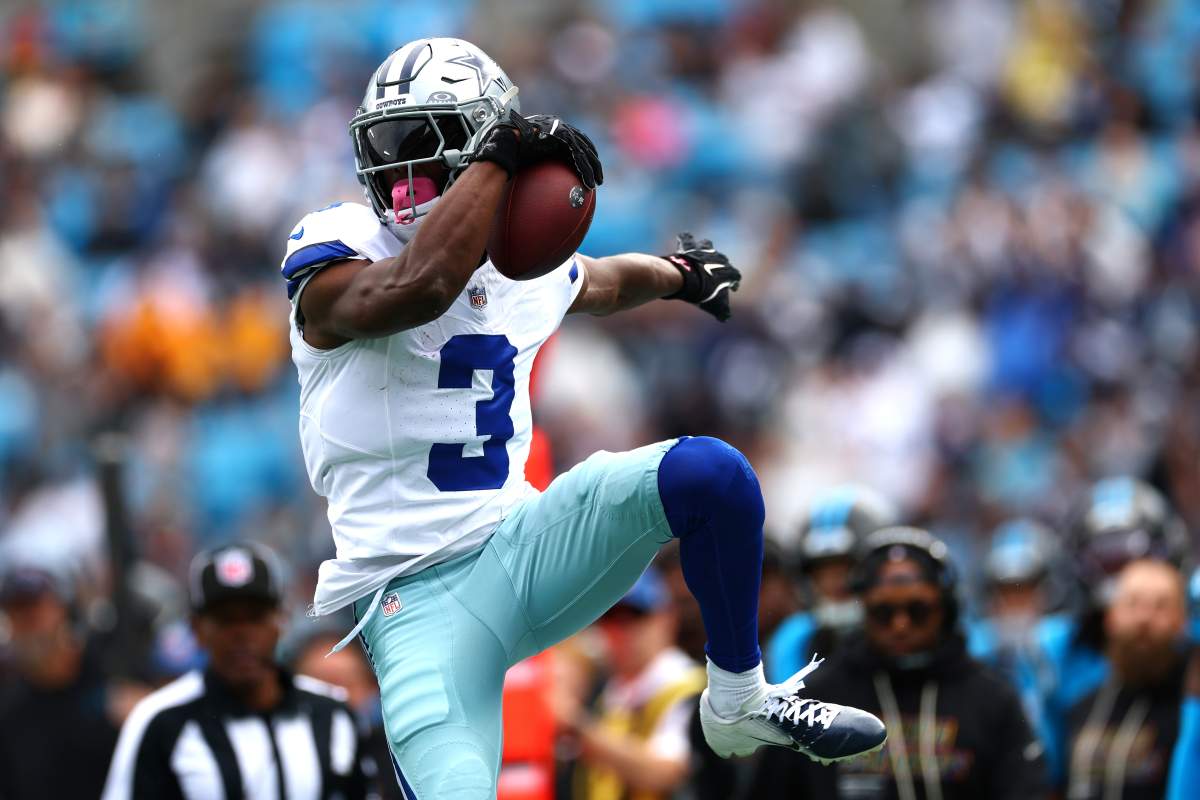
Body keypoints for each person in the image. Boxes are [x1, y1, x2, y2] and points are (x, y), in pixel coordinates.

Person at [280, 36, 885, 799]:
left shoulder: (519, 271)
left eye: (422, 142)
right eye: (389, 145)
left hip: (521, 547)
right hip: (413, 601)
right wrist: (502, 152)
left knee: (713, 476)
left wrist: (679, 275)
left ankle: (738, 700)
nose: (401, 169)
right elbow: (419, 286)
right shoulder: (339, 247)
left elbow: (601, 281)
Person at [749, 527, 1049, 799]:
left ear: (945, 608)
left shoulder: (993, 700)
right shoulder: (814, 701)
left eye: (917, 610)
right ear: (863, 610)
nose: (900, 625)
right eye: (884, 612)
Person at [102, 543, 368, 799]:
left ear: (282, 621)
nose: (241, 634)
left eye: (255, 616)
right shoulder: (161, 722)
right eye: (225, 619)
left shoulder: (331, 714)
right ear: (196, 629)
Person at [557, 567, 704, 799]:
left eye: (634, 616)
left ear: (666, 617)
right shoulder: (606, 689)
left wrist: (578, 726)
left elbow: (666, 772)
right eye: (611, 618)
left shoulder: (690, 687)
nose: (621, 631)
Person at [1064, 559, 1188, 800]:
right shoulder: (1082, 707)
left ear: (1181, 622)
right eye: (1133, 603)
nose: (1144, 618)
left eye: (1161, 606)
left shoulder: (1189, 711)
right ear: (1111, 617)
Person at [0, 562, 123, 799]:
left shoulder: (107, 667)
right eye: (16, 612)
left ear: (62, 610)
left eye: (36, 608)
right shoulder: (9, 710)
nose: (29, 622)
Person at [766, 486, 896, 682]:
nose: (834, 581)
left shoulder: (903, 628)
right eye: (822, 570)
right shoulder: (793, 640)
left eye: (848, 567)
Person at [965, 518, 1063, 767]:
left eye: (1024, 589)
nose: (1016, 602)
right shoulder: (974, 645)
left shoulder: (1063, 642)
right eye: (1007, 591)